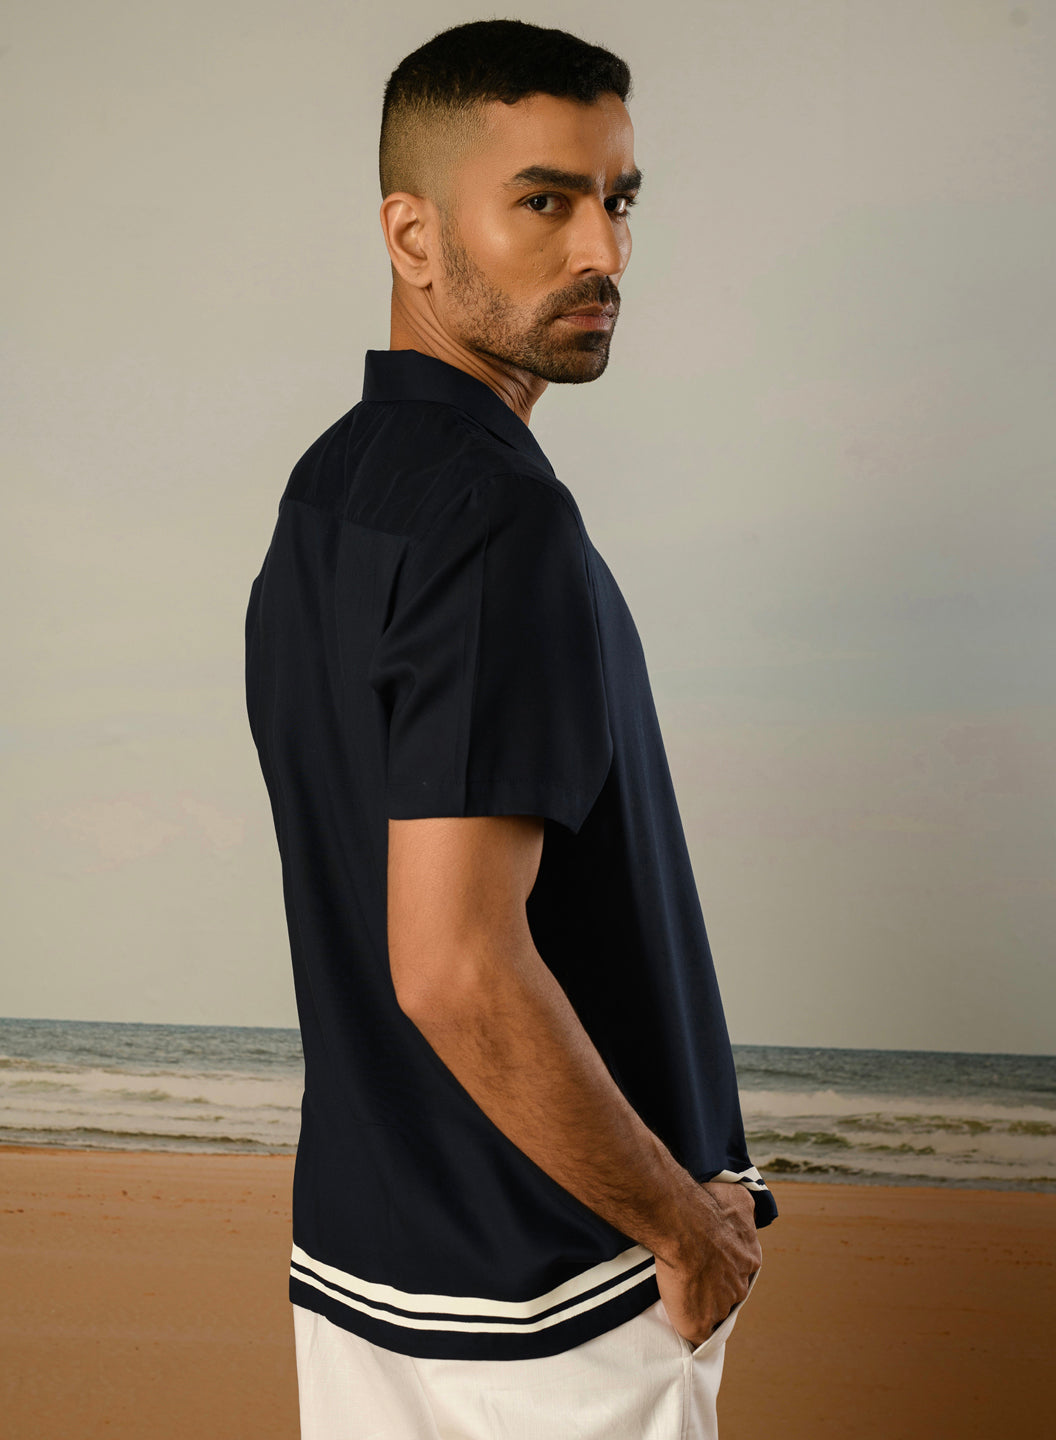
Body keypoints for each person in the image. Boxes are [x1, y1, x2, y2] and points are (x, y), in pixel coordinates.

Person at [244, 18, 777, 1440]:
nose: (603, 250)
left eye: (619, 201)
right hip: (554, 1309)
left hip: (369, 1277)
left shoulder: (329, 492)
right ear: (412, 236)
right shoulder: (498, 516)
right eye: (544, 201)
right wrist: (684, 1225)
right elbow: (456, 964)